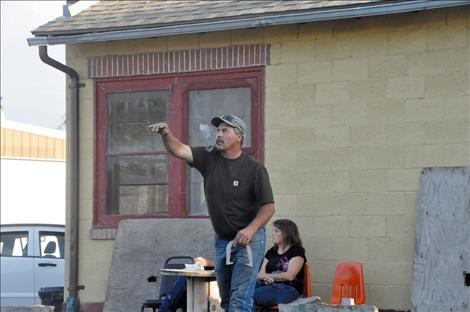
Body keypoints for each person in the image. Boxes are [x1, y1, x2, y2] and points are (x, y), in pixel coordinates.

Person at [149, 114, 275, 312]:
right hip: (223, 241)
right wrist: (166, 134)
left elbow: (269, 207)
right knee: (226, 300)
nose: (219, 134)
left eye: (225, 130)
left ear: (239, 135)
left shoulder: (254, 168)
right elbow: (179, 149)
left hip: (250, 241)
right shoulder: (208, 158)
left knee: (239, 300)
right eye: (218, 130)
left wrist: (250, 230)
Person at [254, 219, 306, 309]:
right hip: (267, 285)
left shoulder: (297, 250)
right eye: (273, 231)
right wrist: (266, 278)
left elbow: (290, 276)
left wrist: (268, 276)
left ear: (287, 233)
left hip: (288, 288)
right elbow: (260, 274)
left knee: (249, 296)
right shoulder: (271, 252)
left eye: (276, 231)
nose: (272, 234)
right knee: (241, 292)